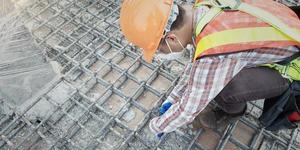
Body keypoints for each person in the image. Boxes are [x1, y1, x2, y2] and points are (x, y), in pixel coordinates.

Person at [120, 0, 300, 136]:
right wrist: (173, 98)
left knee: (224, 88)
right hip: (289, 28)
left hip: (293, 64)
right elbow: (195, 65)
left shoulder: (215, 48)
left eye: (159, 50)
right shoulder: (203, 8)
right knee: (212, 76)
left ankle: (231, 113)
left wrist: (157, 126)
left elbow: (189, 108)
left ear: (172, 38)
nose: (161, 54)